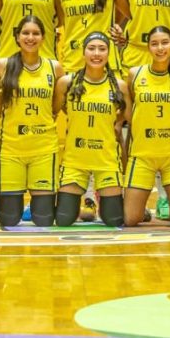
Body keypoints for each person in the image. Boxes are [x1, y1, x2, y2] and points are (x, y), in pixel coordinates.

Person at [0, 16, 63, 226]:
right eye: (25, 33)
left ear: (43, 37)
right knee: (9, 220)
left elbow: (55, 108)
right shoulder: (1, 66)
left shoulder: (54, 68)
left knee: (44, 220)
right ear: (17, 37)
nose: (30, 37)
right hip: (12, 149)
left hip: (43, 148)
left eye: (35, 33)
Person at [53, 32, 128, 227]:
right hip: (75, 160)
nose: (96, 53)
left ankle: (100, 194)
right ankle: (86, 195)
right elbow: (58, 109)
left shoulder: (118, 85)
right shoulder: (67, 83)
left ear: (108, 53)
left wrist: (116, 124)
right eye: (91, 48)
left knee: (114, 221)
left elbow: (126, 115)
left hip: (106, 160)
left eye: (102, 49)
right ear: (83, 52)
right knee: (63, 219)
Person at [125, 26, 170, 227]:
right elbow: (131, 115)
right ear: (148, 47)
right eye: (154, 44)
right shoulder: (134, 74)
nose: (160, 48)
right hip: (142, 154)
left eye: (164, 43)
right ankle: (142, 210)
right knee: (130, 219)